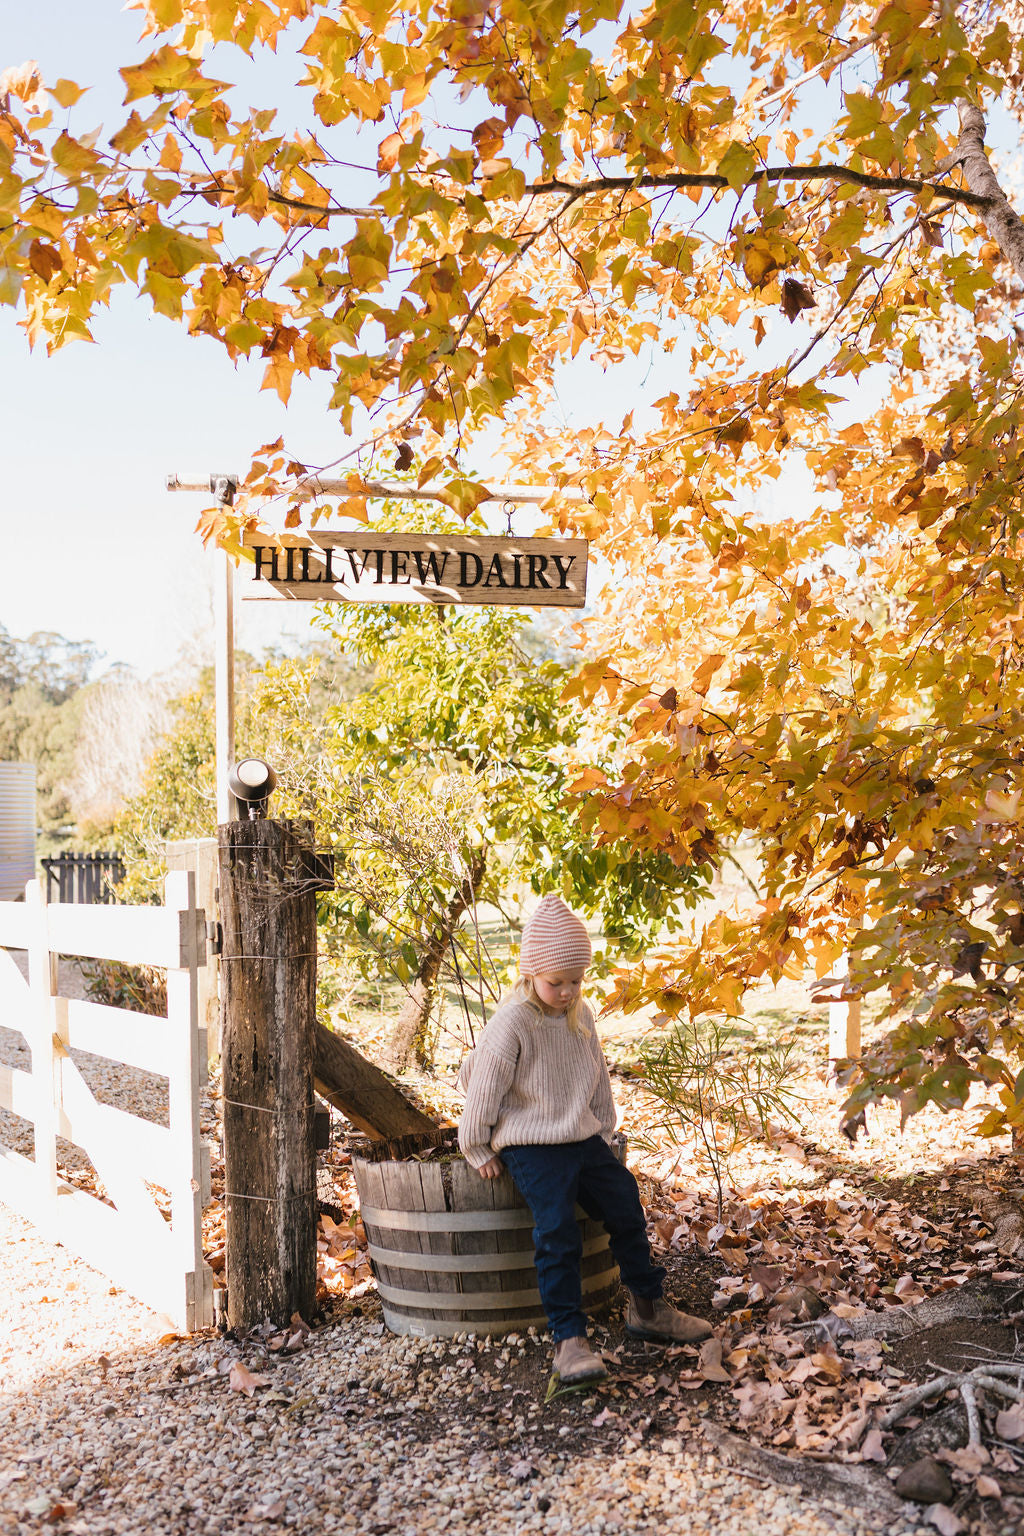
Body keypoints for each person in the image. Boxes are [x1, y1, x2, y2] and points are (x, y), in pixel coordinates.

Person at [458, 894, 713, 1386]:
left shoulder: (581, 1015)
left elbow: (597, 1079)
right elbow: (484, 1084)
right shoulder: (514, 1021)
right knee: (557, 1229)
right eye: (556, 982)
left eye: (576, 981)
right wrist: (477, 1146)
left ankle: (648, 1307)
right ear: (531, 973)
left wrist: (605, 1129)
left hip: (579, 1135)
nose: (567, 991)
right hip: (531, 1143)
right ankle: (569, 1339)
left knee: (624, 1200)